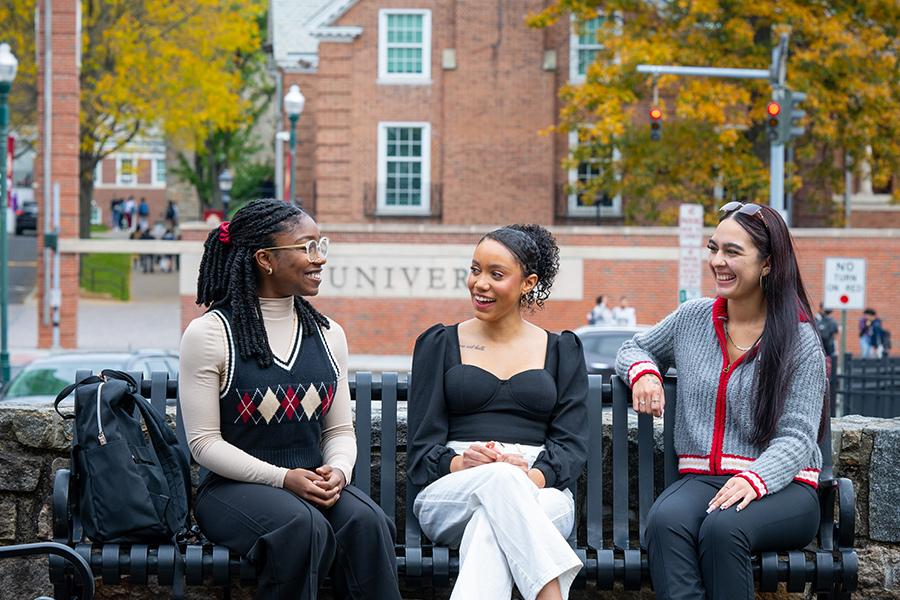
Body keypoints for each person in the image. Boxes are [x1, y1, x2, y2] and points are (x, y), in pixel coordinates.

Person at [179, 199, 401, 600]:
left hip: (311, 482)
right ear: (265, 259)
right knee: (302, 528)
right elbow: (203, 444)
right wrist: (282, 478)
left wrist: (338, 470)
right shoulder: (210, 335)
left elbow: (339, 429)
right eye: (306, 247)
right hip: (232, 490)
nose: (319, 259)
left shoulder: (330, 333)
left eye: (321, 245)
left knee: (369, 523)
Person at [616, 202, 826, 600]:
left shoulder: (800, 342)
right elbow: (634, 347)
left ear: (767, 264)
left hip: (784, 488)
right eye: (713, 248)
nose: (718, 261)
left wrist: (754, 478)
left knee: (722, 528)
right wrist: (644, 373)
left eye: (733, 252)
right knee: (665, 522)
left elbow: (798, 438)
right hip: (704, 480)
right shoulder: (693, 318)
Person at [408, 224, 588, 600]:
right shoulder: (439, 343)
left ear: (528, 283)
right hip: (453, 488)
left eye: (496, 274)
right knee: (500, 481)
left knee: (492, 525)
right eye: (475, 270)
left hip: (543, 490)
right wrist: (462, 464)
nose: (480, 284)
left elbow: (571, 444)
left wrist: (534, 475)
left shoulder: (561, 350)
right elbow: (422, 449)